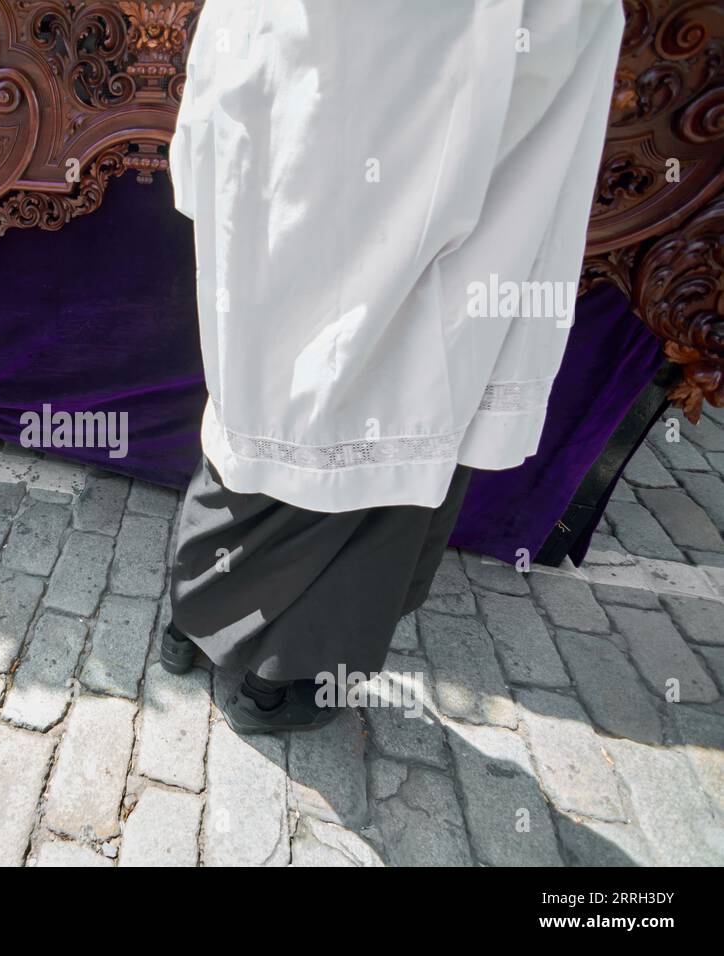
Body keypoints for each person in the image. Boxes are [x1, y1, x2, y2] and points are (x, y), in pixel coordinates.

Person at [161, 0, 626, 733]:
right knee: (401, 370)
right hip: (448, 72)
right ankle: (281, 672)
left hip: (307, 71)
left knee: (277, 371)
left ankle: (202, 617)